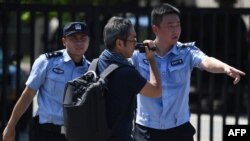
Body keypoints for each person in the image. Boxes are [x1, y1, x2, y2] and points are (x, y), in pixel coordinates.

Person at [131, 3, 246, 141]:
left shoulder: (187, 52)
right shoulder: (139, 55)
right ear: (156, 29)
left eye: (178, 25)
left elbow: (206, 61)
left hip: (179, 128)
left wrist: (224, 68)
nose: (176, 30)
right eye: (170, 26)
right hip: (146, 129)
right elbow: (119, 67)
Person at [2, 21, 90, 141]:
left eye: (83, 38)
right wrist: (11, 125)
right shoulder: (47, 62)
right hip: (46, 133)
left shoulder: (91, 70)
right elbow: (28, 94)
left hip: (75, 135)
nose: (79, 42)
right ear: (64, 41)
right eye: (73, 38)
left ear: (88, 41)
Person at [97, 16, 162, 141]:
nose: (136, 43)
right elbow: (156, 90)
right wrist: (151, 59)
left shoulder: (97, 63)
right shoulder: (127, 73)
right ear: (120, 43)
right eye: (133, 39)